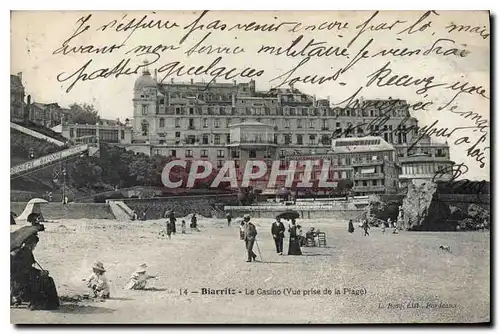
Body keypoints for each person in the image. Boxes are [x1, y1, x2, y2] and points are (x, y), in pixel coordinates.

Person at [11, 234, 59, 310]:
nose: (34, 247)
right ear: (33, 244)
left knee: (45, 278)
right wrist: (40, 273)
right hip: (24, 281)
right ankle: (44, 303)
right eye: (35, 245)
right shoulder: (26, 253)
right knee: (48, 280)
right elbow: (26, 270)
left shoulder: (20, 251)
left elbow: (25, 268)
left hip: (17, 280)